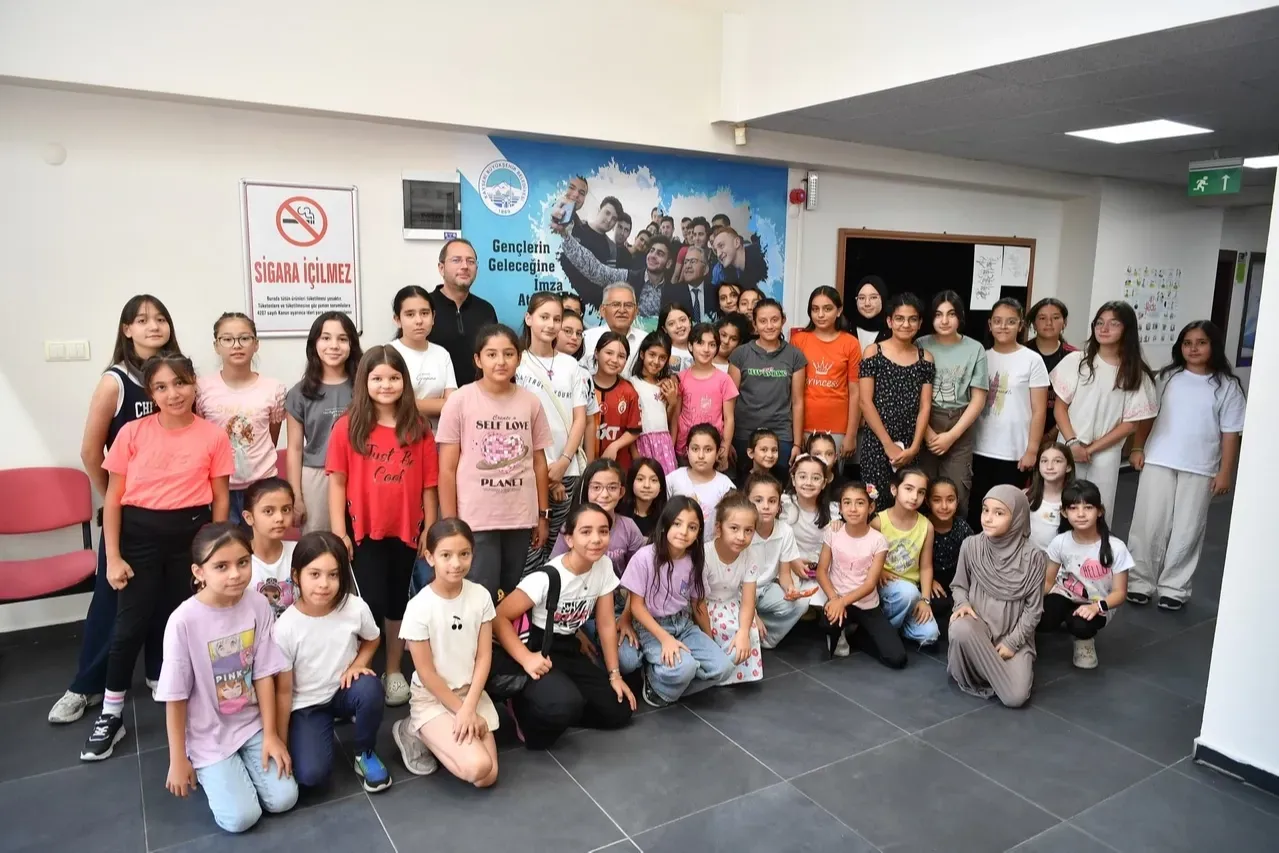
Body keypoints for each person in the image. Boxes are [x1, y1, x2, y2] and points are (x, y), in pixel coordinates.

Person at [80, 353, 233, 761]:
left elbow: (220, 500)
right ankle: (111, 713)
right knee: (129, 626)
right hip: (140, 540)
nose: (173, 394)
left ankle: (196, 701)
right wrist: (113, 556)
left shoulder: (213, 436)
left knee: (187, 623)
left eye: (180, 383)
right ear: (150, 393)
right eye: (161, 387)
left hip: (191, 541)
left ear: (194, 383)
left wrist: (213, 555)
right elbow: (114, 500)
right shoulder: (132, 433)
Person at [50, 294, 182, 725]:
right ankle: (86, 685)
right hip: (129, 513)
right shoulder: (116, 381)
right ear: (127, 329)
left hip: (174, 511)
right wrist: (113, 498)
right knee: (112, 601)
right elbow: (91, 451)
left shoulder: (178, 376)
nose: (153, 326)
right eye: (142, 320)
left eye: (160, 319)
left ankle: (159, 673)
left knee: (168, 598)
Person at [156, 523, 297, 833]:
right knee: (240, 819)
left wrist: (271, 734)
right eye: (221, 566)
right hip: (208, 734)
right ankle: (216, 770)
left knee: (285, 799)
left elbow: (263, 673)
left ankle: (236, 768)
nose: (235, 574)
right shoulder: (182, 621)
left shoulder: (258, 604)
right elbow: (176, 696)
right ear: (199, 572)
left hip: (250, 723)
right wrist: (177, 759)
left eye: (243, 562)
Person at [325, 345, 439, 707]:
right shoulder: (347, 427)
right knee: (369, 602)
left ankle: (393, 669)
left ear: (405, 381)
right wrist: (338, 532)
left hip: (406, 531)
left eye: (394, 378)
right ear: (364, 381)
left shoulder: (417, 428)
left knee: (397, 602)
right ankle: (363, 672)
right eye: (377, 378)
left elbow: (429, 485)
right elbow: (337, 482)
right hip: (363, 532)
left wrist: (430, 528)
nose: (386, 385)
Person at [494, 503, 636, 748]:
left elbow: (605, 623)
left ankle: (558, 705)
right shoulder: (547, 577)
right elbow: (499, 617)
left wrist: (614, 675)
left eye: (603, 531)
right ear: (569, 539)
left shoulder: (603, 566)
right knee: (563, 705)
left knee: (618, 710)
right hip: (538, 647)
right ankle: (523, 705)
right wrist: (526, 659)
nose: (596, 539)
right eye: (586, 532)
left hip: (568, 644)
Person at [1127, 321, 1245, 610]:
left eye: (1201, 343)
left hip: (1201, 466)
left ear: (1214, 346)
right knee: (1148, 523)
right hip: (1158, 458)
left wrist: (1225, 472)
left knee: (1187, 528)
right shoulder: (1167, 378)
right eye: (1187, 343)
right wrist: (1138, 447)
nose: (1193, 348)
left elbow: (1230, 433)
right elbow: (1147, 416)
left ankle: (1175, 588)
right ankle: (1139, 582)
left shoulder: (1227, 386)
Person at [437, 325, 552, 601]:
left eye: (508, 354)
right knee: (479, 593)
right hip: (475, 518)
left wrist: (542, 515)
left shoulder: (531, 402)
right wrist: (451, 524)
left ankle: (502, 632)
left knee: (510, 590)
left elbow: (539, 463)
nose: (501, 361)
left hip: (519, 517)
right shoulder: (460, 401)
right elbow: (447, 469)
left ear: (519, 358)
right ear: (478, 360)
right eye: (491, 354)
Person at [274, 531, 389, 792]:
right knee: (311, 776)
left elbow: (372, 639)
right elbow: (283, 691)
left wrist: (359, 664)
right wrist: (281, 742)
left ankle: (364, 753)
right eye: (314, 574)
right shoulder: (285, 628)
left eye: (333, 575)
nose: (324, 584)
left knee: (370, 688)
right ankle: (309, 734)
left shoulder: (354, 607)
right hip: (308, 704)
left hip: (344, 690)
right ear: (296, 576)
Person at [393, 519, 499, 785]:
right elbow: (426, 673)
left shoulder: (481, 596)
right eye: (446, 555)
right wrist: (462, 711)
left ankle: (445, 738)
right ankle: (413, 730)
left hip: (470, 694)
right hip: (433, 698)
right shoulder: (419, 607)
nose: (456, 563)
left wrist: (469, 707)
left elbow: (484, 657)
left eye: (464, 554)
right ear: (430, 557)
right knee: (477, 767)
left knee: (487, 777)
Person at [621, 499, 733, 706]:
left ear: (698, 533)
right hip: (651, 627)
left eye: (692, 527)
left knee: (723, 668)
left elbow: (698, 604)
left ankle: (667, 682)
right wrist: (665, 639)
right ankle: (656, 684)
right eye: (677, 524)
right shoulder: (644, 557)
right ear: (665, 525)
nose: (684, 532)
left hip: (683, 624)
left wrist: (709, 639)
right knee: (685, 667)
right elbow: (636, 606)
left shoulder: (694, 561)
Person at [1051, 301, 1158, 514]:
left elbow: (1130, 424)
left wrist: (1090, 450)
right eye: (1099, 323)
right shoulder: (1077, 361)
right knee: (1061, 504)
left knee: (1098, 508)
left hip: (1105, 452)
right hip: (1069, 445)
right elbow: (1060, 408)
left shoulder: (1135, 373)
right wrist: (1073, 443)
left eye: (1113, 324)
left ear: (1127, 329)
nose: (1104, 328)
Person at [947, 485, 1046, 708]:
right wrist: (962, 603)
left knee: (1015, 697)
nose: (988, 518)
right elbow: (959, 585)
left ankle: (982, 666)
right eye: (985, 510)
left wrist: (1012, 642)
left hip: (1013, 635)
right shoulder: (971, 546)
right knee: (960, 628)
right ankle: (993, 669)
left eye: (999, 513)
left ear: (1018, 517)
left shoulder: (1034, 557)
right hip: (978, 629)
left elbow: (1034, 609)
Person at [516, 293, 592, 572]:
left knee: (559, 549)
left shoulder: (571, 366)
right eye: (544, 317)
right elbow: (516, 422)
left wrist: (562, 463)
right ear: (529, 318)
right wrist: (546, 471)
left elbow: (580, 419)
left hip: (567, 470)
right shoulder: (517, 363)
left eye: (556, 319)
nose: (550, 325)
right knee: (530, 547)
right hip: (528, 471)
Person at [554, 460, 649, 675]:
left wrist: (626, 616)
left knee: (629, 661)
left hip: (618, 606)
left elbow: (641, 578)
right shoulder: (570, 528)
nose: (604, 494)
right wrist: (574, 630)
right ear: (586, 489)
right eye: (596, 487)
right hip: (579, 608)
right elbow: (556, 577)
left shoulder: (628, 528)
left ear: (621, 492)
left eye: (612, 487)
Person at [196, 312, 287, 521]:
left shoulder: (273, 389)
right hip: (219, 486)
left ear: (256, 344)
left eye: (244, 338)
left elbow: (272, 436)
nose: (236, 345)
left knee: (262, 540)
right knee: (225, 540)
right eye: (227, 339)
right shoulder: (201, 388)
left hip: (263, 485)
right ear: (216, 346)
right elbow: (201, 435)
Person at [970, 298, 1050, 527]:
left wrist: (1032, 450)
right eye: (997, 321)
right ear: (989, 324)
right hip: (978, 447)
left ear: (1021, 325)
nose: (1003, 326)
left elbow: (1039, 410)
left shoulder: (1032, 360)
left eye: (1011, 321)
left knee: (1007, 512)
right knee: (977, 510)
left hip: (1014, 452)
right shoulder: (981, 356)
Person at [284, 311, 362, 536]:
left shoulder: (365, 387)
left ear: (352, 345)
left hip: (360, 473)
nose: (334, 345)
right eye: (326, 338)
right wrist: (296, 496)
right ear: (314, 344)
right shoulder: (299, 393)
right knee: (320, 543)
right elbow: (294, 449)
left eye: (342, 339)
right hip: (317, 476)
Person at [1041, 479, 1132, 669]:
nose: (1081, 514)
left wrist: (1096, 607)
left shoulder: (1116, 547)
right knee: (1042, 617)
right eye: (1073, 508)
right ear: (1064, 512)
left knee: (1080, 624)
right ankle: (1062, 617)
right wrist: (1028, 606)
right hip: (1065, 593)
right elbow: (1048, 582)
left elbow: (1120, 593)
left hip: (1097, 602)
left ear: (1100, 511)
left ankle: (1084, 640)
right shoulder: (1060, 542)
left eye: (1088, 507)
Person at [857, 293, 935, 510]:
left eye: (912, 319)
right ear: (890, 321)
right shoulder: (873, 352)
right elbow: (865, 402)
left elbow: (925, 406)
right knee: (874, 504)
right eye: (899, 318)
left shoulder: (925, 358)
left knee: (907, 503)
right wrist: (887, 444)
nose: (906, 324)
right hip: (877, 444)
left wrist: (915, 447)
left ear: (920, 323)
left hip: (911, 445)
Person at [816, 481, 906, 667]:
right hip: (838, 598)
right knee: (827, 625)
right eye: (847, 503)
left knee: (896, 659)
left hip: (866, 605)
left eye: (860, 503)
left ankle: (858, 636)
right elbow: (822, 570)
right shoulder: (833, 533)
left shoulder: (878, 540)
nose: (853, 509)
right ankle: (840, 630)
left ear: (870, 507)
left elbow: (870, 584)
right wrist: (834, 599)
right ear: (840, 508)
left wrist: (842, 602)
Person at [918, 291, 988, 516]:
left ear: (960, 316)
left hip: (960, 424)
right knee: (921, 490)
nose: (945, 320)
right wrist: (927, 433)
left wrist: (952, 436)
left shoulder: (975, 349)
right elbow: (912, 394)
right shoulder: (920, 344)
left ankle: (956, 540)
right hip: (924, 421)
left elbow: (978, 398)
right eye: (939, 314)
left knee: (957, 492)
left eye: (951, 314)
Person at [729, 298, 807, 480]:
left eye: (775, 320)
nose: (769, 326)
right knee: (745, 487)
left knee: (779, 487)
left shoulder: (795, 356)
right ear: (755, 325)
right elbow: (730, 401)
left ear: (783, 320)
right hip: (745, 434)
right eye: (763, 321)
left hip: (781, 434)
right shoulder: (740, 354)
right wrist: (728, 441)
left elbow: (797, 402)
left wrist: (797, 443)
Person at [696, 492, 763, 684]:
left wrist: (743, 632)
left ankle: (737, 673)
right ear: (719, 528)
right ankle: (716, 670)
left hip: (733, 602)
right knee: (721, 628)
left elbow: (748, 601)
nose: (741, 537)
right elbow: (698, 602)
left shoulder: (750, 556)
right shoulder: (705, 555)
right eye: (734, 528)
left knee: (747, 630)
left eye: (748, 530)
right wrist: (708, 637)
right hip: (707, 607)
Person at [872, 467, 942, 646]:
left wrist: (925, 599)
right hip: (883, 587)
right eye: (909, 489)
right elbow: (865, 559)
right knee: (906, 593)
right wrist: (879, 571)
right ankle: (881, 631)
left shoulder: (926, 526)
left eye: (921, 492)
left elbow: (925, 566)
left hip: (911, 591)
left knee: (930, 635)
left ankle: (897, 622)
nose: (914, 497)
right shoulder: (879, 522)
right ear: (894, 489)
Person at [745, 473, 813, 648]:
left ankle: (766, 639)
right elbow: (734, 583)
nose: (765, 506)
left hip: (765, 589)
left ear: (779, 505)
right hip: (740, 593)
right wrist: (752, 614)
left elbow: (784, 575)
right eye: (758, 500)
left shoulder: (785, 531)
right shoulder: (743, 531)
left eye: (772, 501)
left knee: (800, 604)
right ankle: (751, 626)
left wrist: (790, 589)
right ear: (747, 502)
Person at [792, 286, 861, 458]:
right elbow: (792, 390)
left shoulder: (850, 343)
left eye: (827, 309)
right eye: (815, 309)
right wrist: (796, 433)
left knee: (831, 474)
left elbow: (855, 392)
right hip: (803, 425)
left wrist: (851, 435)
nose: (820, 315)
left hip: (838, 427)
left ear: (839, 311)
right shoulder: (799, 340)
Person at [427, 238, 498, 386]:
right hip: (434, 397)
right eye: (456, 260)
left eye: (470, 261)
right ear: (441, 268)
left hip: (479, 396)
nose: (465, 266)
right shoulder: (424, 308)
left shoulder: (486, 310)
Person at [390, 285, 457, 432]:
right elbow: (390, 404)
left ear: (433, 317)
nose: (419, 320)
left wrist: (410, 403)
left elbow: (453, 404)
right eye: (410, 314)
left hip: (437, 436)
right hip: (399, 435)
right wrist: (438, 404)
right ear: (397, 320)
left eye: (424, 313)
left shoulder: (442, 354)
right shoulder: (388, 353)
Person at [676, 322, 738, 465]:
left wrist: (725, 446)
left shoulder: (724, 379)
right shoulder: (681, 378)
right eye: (700, 343)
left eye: (712, 344)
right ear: (690, 346)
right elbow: (676, 415)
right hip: (685, 448)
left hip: (713, 449)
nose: (706, 349)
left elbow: (729, 418)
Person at [667, 424, 736, 541]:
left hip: (710, 547)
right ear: (687, 450)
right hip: (678, 544)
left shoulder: (725, 486)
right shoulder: (674, 479)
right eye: (695, 449)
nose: (701, 456)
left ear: (718, 452)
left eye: (708, 449)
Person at [927, 476, 973, 642]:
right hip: (930, 581)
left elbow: (972, 560)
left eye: (950, 500)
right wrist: (929, 581)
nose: (944, 506)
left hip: (956, 582)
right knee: (937, 603)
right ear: (927, 502)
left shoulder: (962, 527)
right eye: (937, 500)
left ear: (957, 501)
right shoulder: (923, 525)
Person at [243, 477, 298, 617]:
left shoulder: (299, 553)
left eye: (286, 509)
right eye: (268, 511)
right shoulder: (239, 561)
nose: (279, 518)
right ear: (249, 517)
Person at [630, 331, 680, 474]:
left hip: (664, 446)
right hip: (642, 443)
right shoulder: (632, 384)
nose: (656, 361)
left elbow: (667, 420)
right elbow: (629, 425)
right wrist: (634, 454)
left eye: (662, 357)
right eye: (652, 355)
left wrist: (672, 403)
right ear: (642, 354)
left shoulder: (667, 386)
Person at [1026, 298, 1075, 439]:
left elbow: (1076, 404)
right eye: (1042, 318)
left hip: (1061, 433)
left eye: (1055, 317)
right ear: (1034, 324)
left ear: (1064, 323)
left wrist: (1050, 436)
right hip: (1023, 431)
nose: (1049, 323)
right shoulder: (1022, 353)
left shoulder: (1074, 357)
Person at [592, 331, 642, 469]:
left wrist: (615, 446)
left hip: (618, 466)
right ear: (596, 353)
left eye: (621, 356)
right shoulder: (583, 385)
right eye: (609, 353)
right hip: (585, 464)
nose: (614, 360)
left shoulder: (629, 392)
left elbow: (634, 430)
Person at [580, 283, 646, 375]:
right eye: (616, 304)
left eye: (628, 305)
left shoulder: (645, 341)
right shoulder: (586, 339)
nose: (622, 310)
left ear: (636, 311)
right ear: (603, 310)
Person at [1027, 442, 1075, 552]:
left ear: (1068, 467)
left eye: (1057, 461)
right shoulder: (1026, 496)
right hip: (1029, 558)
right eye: (1044, 461)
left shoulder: (1075, 502)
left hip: (1059, 560)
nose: (1049, 467)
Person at [621, 457, 667, 540]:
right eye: (640, 479)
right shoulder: (620, 512)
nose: (647, 485)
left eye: (653, 480)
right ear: (631, 483)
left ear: (661, 487)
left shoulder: (666, 517)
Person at [710, 226, 768, 292]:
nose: (718, 254)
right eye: (716, 251)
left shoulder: (764, 254)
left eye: (721, 246)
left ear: (737, 243)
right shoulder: (739, 277)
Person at [670, 246, 716, 323]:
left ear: (705, 269)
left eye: (693, 261)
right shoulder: (671, 293)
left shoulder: (715, 292)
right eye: (685, 262)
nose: (688, 266)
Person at [851, 275, 890, 349]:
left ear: (883, 299)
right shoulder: (847, 330)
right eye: (861, 298)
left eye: (873, 297)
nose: (867, 303)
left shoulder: (893, 333)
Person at [660, 303, 694, 371]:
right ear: (665, 329)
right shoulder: (661, 352)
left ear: (689, 321)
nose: (679, 326)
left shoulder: (702, 349)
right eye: (671, 324)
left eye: (682, 320)